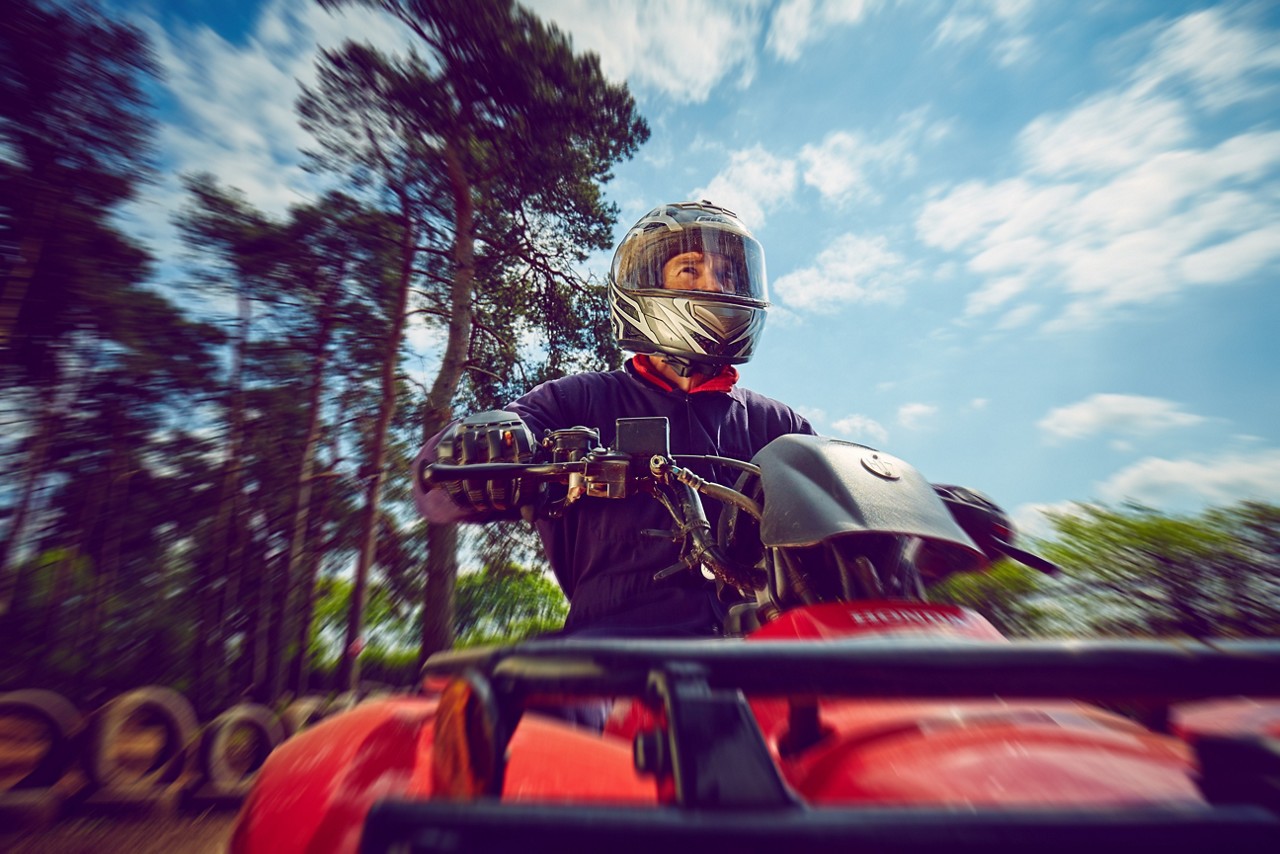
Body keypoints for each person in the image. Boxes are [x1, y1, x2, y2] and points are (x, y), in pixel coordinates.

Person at [414, 200, 815, 638]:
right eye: (690, 269)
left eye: (728, 274)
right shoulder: (576, 400)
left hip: (766, 654)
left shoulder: (778, 425)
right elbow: (435, 481)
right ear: (644, 283)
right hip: (609, 654)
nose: (715, 286)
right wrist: (482, 445)